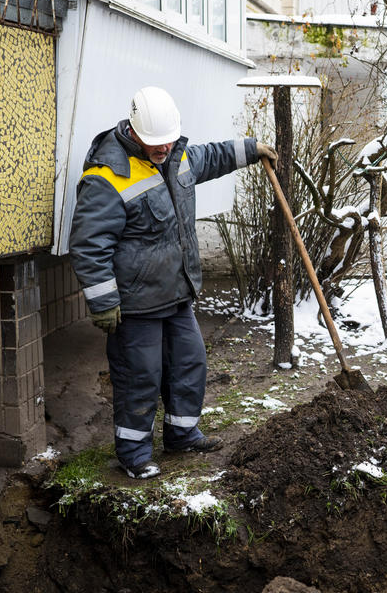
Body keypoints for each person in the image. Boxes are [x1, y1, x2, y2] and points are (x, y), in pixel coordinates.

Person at [69, 86, 278, 479]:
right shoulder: (107, 177)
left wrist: (253, 148)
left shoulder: (176, 157)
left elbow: (211, 156)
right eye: (155, 143)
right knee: (140, 375)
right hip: (136, 303)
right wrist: (103, 302)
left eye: (167, 141)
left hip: (176, 295)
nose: (163, 148)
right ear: (134, 132)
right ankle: (133, 455)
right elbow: (88, 244)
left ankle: (182, 436)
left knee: (189, 363)